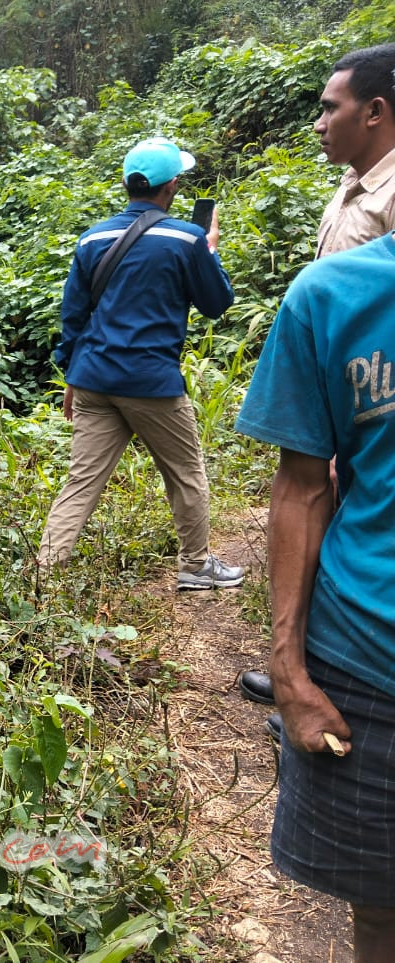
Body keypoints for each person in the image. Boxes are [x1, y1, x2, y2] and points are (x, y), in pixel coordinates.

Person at [233, 228, 395, 962]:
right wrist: (290, 673)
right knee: (381, 904)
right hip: (369, 660)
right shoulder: (330, 296)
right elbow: (301, 486)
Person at [239, 42, 395, 707]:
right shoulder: (352, 185)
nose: (318, 122)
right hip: (335, 409)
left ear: (376, 111)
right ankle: (300, 671)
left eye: (331, 108)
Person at [38, 138, 243, 590]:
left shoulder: (93, 238)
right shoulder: (186, 238)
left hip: (92, 378)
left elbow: (73, 315)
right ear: (171, 187)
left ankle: (44, 575)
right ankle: (195, 565)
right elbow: (216, 303)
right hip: (151, 382)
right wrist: (209, 248)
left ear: (128, 184)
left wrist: (72, 374)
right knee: (186, 473)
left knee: (81, 482)